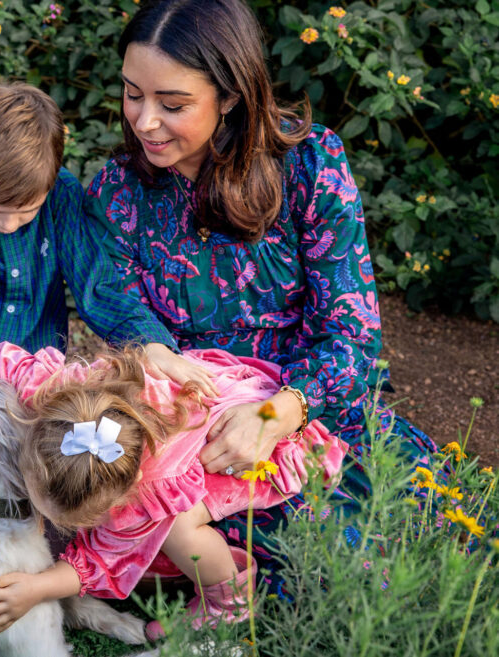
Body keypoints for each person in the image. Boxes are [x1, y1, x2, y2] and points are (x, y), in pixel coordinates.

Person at [84, 0, 437, 566]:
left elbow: (353, 337)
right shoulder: (120, 192)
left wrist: (274, 416)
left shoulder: (310, 165)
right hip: (192, 437)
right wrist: (155, 354)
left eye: (172, 104)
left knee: (379, 566)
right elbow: (116, 304)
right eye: (132, 93)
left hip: (313, 423)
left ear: (229, 97)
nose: (144, 121)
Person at [0, 82, 215, 487]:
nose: (8, 224)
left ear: (52, 180)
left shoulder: (63, 196)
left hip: (27, 388)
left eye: (26, 212)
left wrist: (151, 344)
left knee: (58, 476)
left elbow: (96, 287)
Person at [0, 337, 347, 637]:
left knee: (179, 530)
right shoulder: (51, 388)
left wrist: (37, 588)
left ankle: (229, 602)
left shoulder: (146, 496)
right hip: (186, 401)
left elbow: (99, 560)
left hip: (244, 438)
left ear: (112, 502)